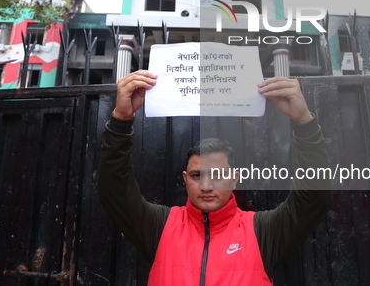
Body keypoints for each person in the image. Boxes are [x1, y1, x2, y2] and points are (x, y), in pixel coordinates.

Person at [98, 70, 332, 285]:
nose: (207, 185)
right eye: (197, 175)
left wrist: (304, 123)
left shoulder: (262, 231)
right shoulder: (159, 226)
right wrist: (121, 119)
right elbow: (115, 191)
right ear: (185, 179)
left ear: (234, 179)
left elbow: (312, 198)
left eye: (218, 175)